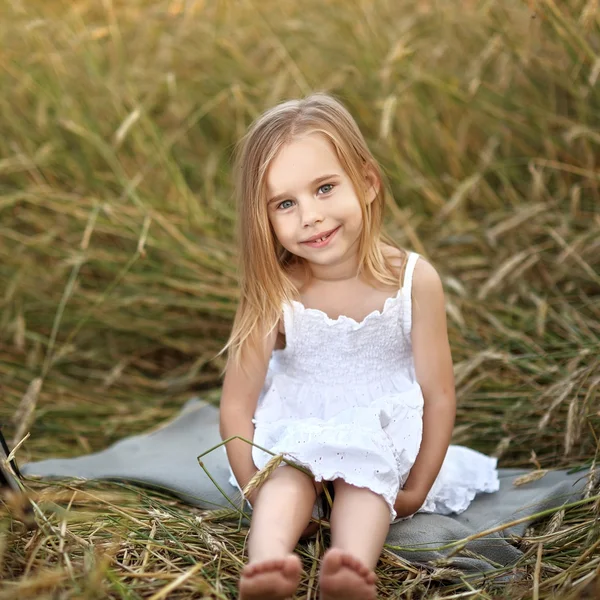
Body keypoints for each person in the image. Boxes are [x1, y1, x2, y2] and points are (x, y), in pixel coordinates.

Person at [219, 93, 499, 600]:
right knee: (287, 479)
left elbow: (439, 394)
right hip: (299, 425)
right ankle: (268, 566)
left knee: (367, 483)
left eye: (325, 188)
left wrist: (414, 488)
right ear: (266, 218)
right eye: (285, 203)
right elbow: (238, 404)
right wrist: (252, 487)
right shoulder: (273, 287)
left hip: (381, 428)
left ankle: (347, 570)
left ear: (366, 183)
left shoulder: (414, 279)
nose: (310, 216)